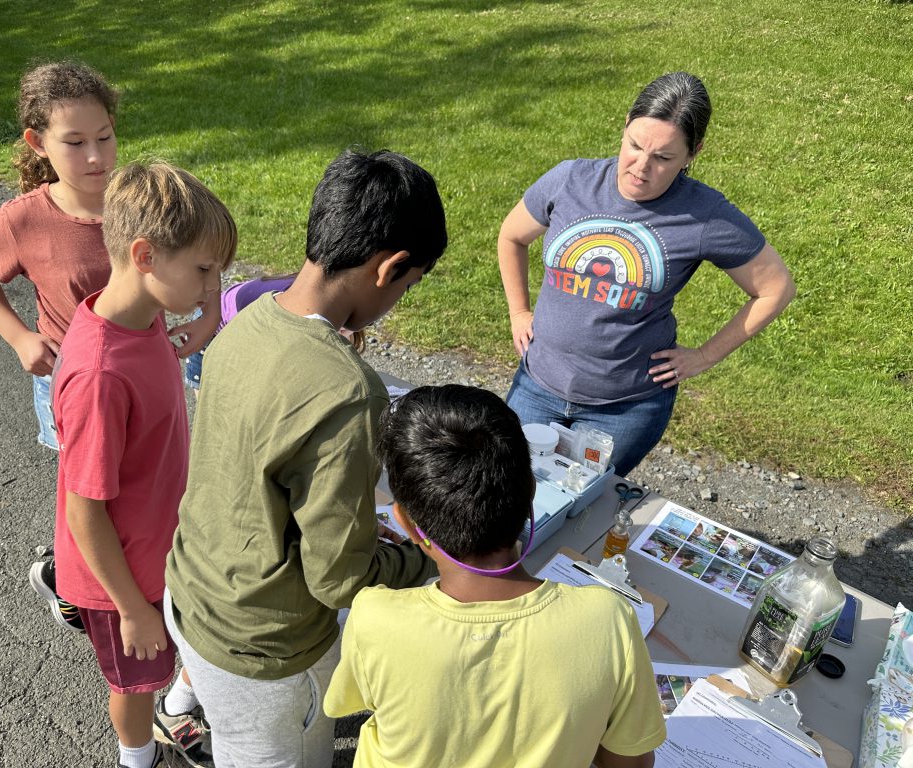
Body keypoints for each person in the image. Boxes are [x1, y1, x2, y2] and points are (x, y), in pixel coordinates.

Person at [163, 147, 447, 768]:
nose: (402, 296)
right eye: (410, 283)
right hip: (264, 649)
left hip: (193, 590)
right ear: (391, 267)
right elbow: (339, 578)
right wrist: (423, 560)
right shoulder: (348, 391)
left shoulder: (248, 318)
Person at [0, 61, 219, 634]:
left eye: (105, 137)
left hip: (148, 370)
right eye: (75, 143)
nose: (97, 157)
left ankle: (139, 578)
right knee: (90, 493)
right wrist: (20, 337)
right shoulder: (23, 219)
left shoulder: (136, 201)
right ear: (38, 143)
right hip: (76, 382)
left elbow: (204, 248)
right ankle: (75, 583)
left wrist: (211, 313)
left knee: (147, 487)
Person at [324, 385, 666, 768]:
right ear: (531, 493)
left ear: (406, 523)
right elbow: (630, 762)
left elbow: (357, 703)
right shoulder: (609, 619)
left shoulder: (375, 617)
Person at [498, 71, 796, 476]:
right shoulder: (570, 179)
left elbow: (775, 288)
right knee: (503, 492)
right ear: (624, 125)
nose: (641, 166)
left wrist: (705, 356)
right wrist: (519, 312)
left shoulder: (703, 214)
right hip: (536, 385)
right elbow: (512, 237)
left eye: (663, 158)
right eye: (635, 145)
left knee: (578, 512)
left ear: (694, 154)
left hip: (623, 411)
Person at [51, 161, 236, 768]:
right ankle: (137, 758)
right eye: (205, 271)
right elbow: (85, 511)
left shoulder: (142, 311)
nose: (213, 287)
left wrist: (206, 320)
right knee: (134, 683)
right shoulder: (100, 376)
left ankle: (174, 704)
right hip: (122, 577)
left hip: (160, 541)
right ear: (145, 255)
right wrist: (131, 608)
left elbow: (167, 341)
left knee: (177, 645)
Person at [183, 274, 365, 392]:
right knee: (212, 412)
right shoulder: (294, 315)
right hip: (209, 327)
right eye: (337, 330)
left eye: (345, 331)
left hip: (245, 324)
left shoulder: (324, 306)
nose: (339, 337)